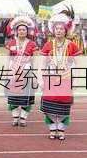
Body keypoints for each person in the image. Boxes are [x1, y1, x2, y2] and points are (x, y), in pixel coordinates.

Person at [38, 7, 81, 140]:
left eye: (61, 29)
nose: (59, 31)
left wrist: (75, 77)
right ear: (53, 30)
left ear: (66, 30)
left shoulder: (72, 45)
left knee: (63, 104)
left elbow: (78, 63)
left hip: (66, 78)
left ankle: (61, 129)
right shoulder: (48, 45)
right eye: (57, 29)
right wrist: (40, 79)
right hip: (50, 79)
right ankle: (52, 128)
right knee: (50, 105)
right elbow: (42, 63)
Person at [5, 16, 38, 127]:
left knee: (26, 97)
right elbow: (8, 58)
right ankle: (15, 118)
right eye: (20, 30)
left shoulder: (32, 44)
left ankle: (23, 118)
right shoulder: (11, 43)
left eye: (24, 29)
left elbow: (35, 61)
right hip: (13, 73)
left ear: (27, 31)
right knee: (13, 96)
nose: (22, 31)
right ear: (16, 31)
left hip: (27, 73)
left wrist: (35, 76)